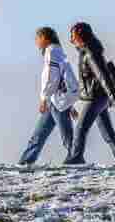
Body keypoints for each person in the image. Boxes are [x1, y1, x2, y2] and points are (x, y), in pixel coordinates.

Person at [63, 20, 115, 166]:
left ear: (81, 36)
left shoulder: (90, 53)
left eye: (73, 36)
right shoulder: (88, 51)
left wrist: (113, 97)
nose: (71, 39)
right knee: (108, 134)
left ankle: (75, 159)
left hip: (96, 98)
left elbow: (103, 75)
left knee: (80, 130)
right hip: (99, 97)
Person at [17, 26, 78, 165]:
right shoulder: (58, 52)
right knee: (39, 135)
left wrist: (44, 97)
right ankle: (25, 162)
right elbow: (65, 78)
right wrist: (70, 103)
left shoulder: (52, 51)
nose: (37, 42)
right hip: (58, 99)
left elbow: (52, 77)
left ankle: (76, 159)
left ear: (44, 38)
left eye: (37, 39)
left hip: (56, 99)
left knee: (67, 137)